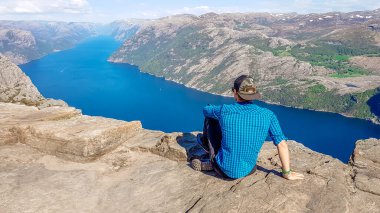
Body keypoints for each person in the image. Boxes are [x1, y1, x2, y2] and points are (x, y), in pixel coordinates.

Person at [191, 75, 304, 180]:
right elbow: (282, 144)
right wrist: (287, 173)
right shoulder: (268, 115)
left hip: (222, 169)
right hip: (249, 170)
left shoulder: (225, 110)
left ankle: (210, 158)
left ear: (235, 92)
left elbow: (205, 110)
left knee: (210, 119)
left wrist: (212, 108)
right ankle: (217, 161)